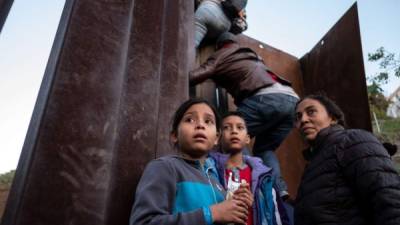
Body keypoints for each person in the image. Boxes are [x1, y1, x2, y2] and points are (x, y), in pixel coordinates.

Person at [190, 31, 299, 199]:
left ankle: (252, 182)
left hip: (265, 97)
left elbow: (205, 71)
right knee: (265, 149)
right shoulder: (251, 55)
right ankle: (278, 189)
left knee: (229, 134)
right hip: (291, 100)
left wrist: (180, 77)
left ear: (220, 46)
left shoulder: (222, 53)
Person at [129, 98, 253, 225]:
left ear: (216, 138)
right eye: (190, 120)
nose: (200, 125)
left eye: (208, 121)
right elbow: (144, 222)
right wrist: (211, 213)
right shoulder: (165, 168)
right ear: (175, 135)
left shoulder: (216, 181)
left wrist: (236, 205)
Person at [294, 94, 400, 225]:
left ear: (332, 118)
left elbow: (388, 197)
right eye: (298, 117)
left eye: (311, 112)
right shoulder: (313, 163)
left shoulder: (351, 140)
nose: (303, 120)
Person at [210, 111, 292, 225]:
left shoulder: (263, 176)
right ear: (218, 138)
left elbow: (279, 215)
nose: (234, 131)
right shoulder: (210, 171)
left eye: (240, 127)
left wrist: (255, 204)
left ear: (247, 138)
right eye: (227, 127)